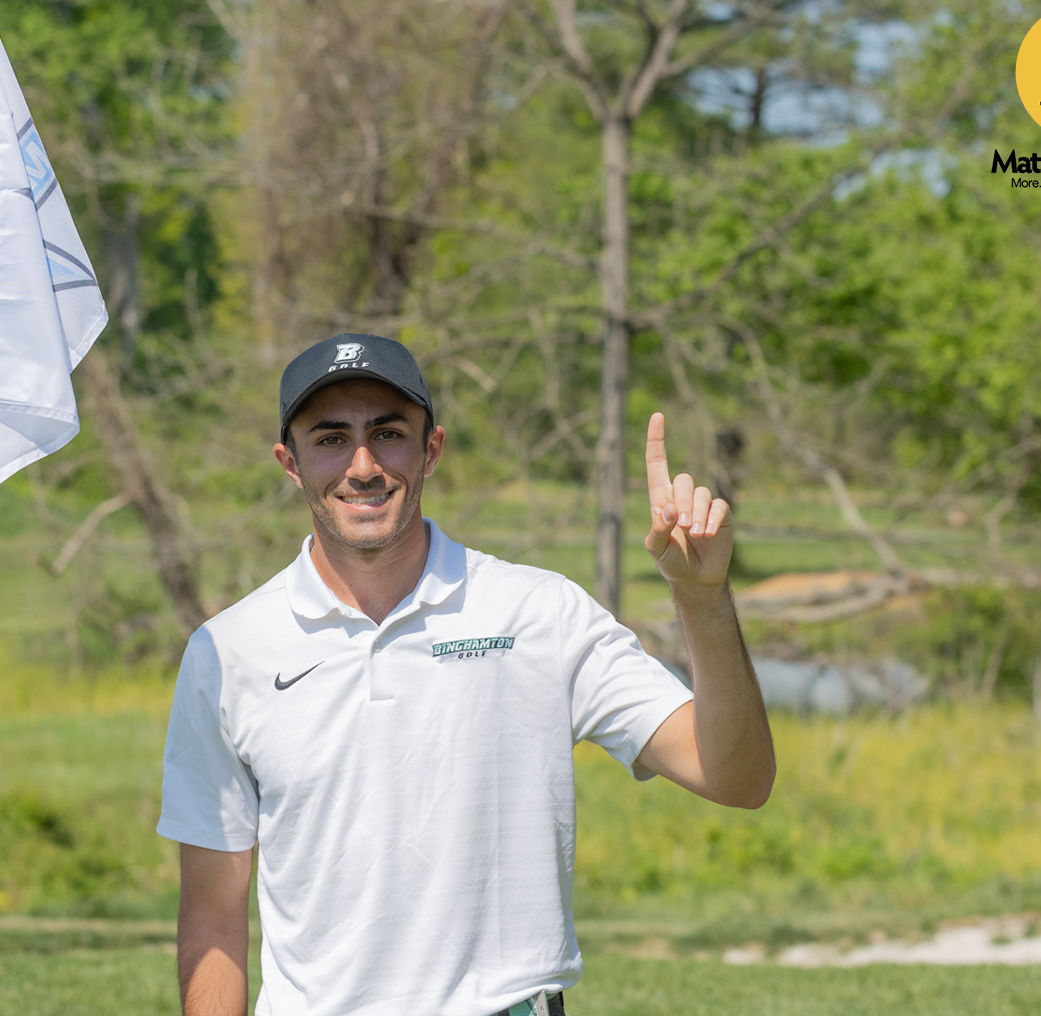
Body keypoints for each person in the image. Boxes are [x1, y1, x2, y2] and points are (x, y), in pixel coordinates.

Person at [158, 334, 775, 1016]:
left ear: (431, 449)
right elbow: (214, 921)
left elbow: (737, 777)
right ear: (290, 463)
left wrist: (702, 597)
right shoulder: (228, 650)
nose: (362, 466)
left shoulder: (541, 611)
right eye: (331, 439)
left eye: (388, 434)